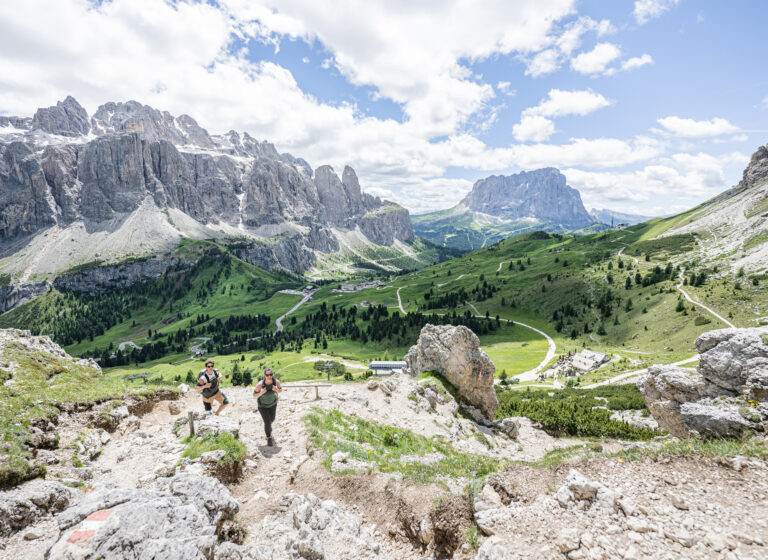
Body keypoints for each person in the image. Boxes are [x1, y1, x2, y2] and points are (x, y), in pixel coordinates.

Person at [253, 367, 281, 446]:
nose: (269, 376)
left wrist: (276, 390)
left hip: (273, 404)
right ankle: (269, 437)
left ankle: (268, 428)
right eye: (267, 374)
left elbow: (280, 390)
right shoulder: (260, 384)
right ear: (264, 375)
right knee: (267, 422)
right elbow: (254, 395)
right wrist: (262, 392)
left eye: (270, 374)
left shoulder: (276, 382)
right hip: (262, 406)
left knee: (272, 419)